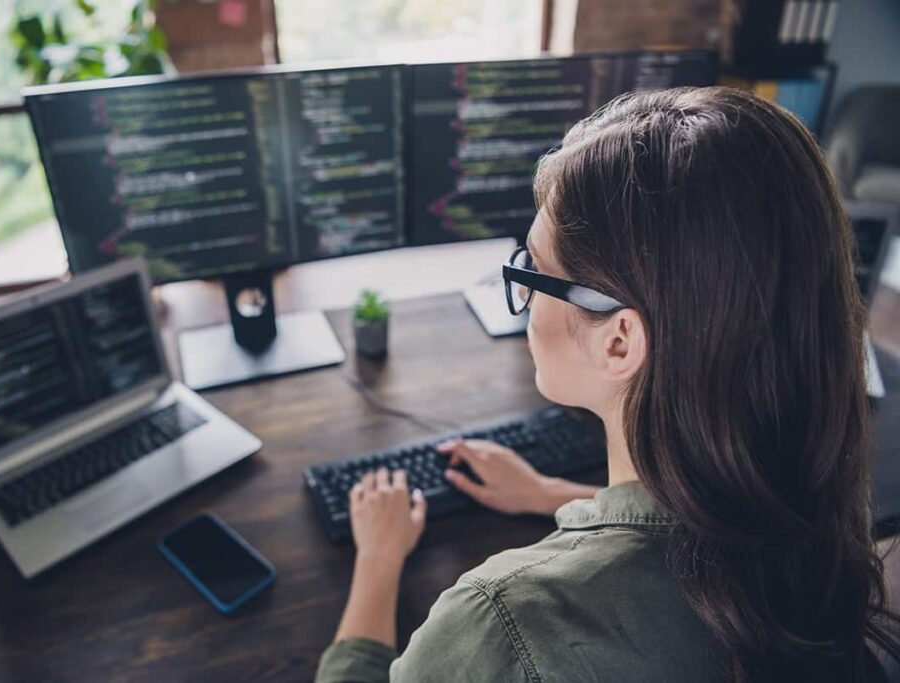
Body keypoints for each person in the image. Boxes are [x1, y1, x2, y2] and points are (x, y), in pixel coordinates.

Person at [314, 86, 900, 682]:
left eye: (535, 270)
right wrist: (551, 494)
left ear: (619, 340)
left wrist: (379, 562)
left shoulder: (502, 623)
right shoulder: (826, 522)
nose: (525, 292)